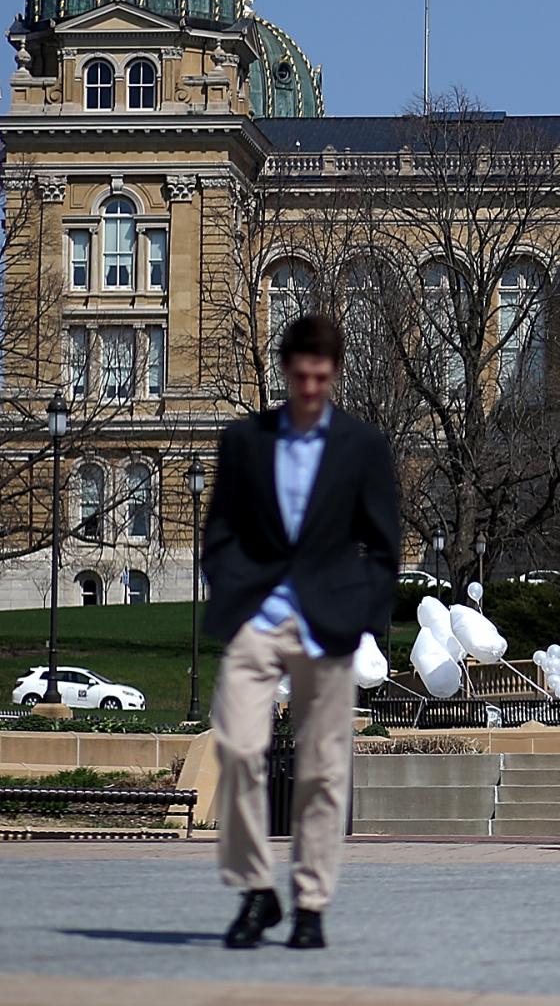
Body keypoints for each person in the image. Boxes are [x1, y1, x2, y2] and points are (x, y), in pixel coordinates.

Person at [202, 311, 401, 951]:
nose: (311, 387)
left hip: (327, 623)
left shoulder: (362, 447)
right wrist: (231, 596)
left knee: (321, 769)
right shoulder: (245, 441)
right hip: (258, 619)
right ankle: (257, 890)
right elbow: (221, 530)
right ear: (285, 371)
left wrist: (365, 619)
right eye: (301, 376)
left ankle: (311, 902)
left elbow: (384, 543)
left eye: (321, 377)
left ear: (333, 374)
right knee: (236, 749)